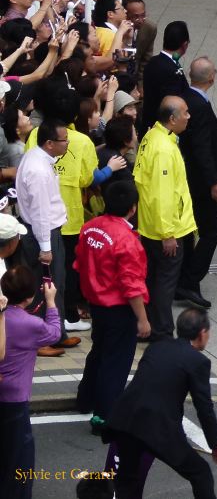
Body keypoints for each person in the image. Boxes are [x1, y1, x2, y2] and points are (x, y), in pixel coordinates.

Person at [101, 308, 217, 499]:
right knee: (200, 473)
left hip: (125, 421)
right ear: (203, 333)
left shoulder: (156, 347)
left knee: (127, 479)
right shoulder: (198, 361)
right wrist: (215, 445)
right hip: (156, 428)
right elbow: (204, 407)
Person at [74, 182, 150, 432]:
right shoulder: (127, 241)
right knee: (115, 362)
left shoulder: (89, 228)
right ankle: (104, 416)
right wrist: (143, 319)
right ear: (133, 208)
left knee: (99, 351)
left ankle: (85, 398)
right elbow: (132, 285)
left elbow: (79, 264)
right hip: (118, 308)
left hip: (96, 304)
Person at [134, 96, 194, 340]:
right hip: (165, 230)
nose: (189, 116)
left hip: (150, 225)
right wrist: (168, 233)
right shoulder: (164, 149)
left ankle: (150, 326)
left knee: (154, 279)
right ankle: (162, 332)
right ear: (172, 119)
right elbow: (162, 195)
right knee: (164, 283)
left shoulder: (153, 137)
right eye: (185, 113)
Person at [0, 265, 60, 499]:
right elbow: (55, 333)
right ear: (30, 296)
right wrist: (52, 301)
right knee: (19, 459)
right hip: (14, 399)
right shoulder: (30, 325)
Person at [178, 56, 217, 309]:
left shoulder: (187, 99)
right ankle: (190, 280)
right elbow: (202, 148)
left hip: (189, 179)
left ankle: (184, 278)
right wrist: (214, 181)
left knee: (190, 232)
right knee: (211, 231)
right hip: (199, 182)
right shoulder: (198, 105)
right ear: (212, 77)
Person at [13, 121, 70, 350]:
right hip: (42, 234)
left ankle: (57, 334)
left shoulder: (37, 157)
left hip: (44, 231)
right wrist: (45, 247)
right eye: (64, 140)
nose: (67, 143)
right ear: (49, 144)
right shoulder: (37, 169)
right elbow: (40, 212)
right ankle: (44, 338)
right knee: (47, 286)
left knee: (54, 284)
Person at [140, 21, 190, 134]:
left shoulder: (153, 62)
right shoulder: (171, 71)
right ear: (185, 44)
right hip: (163, 132)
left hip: (149, 125)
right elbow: (173, 107)